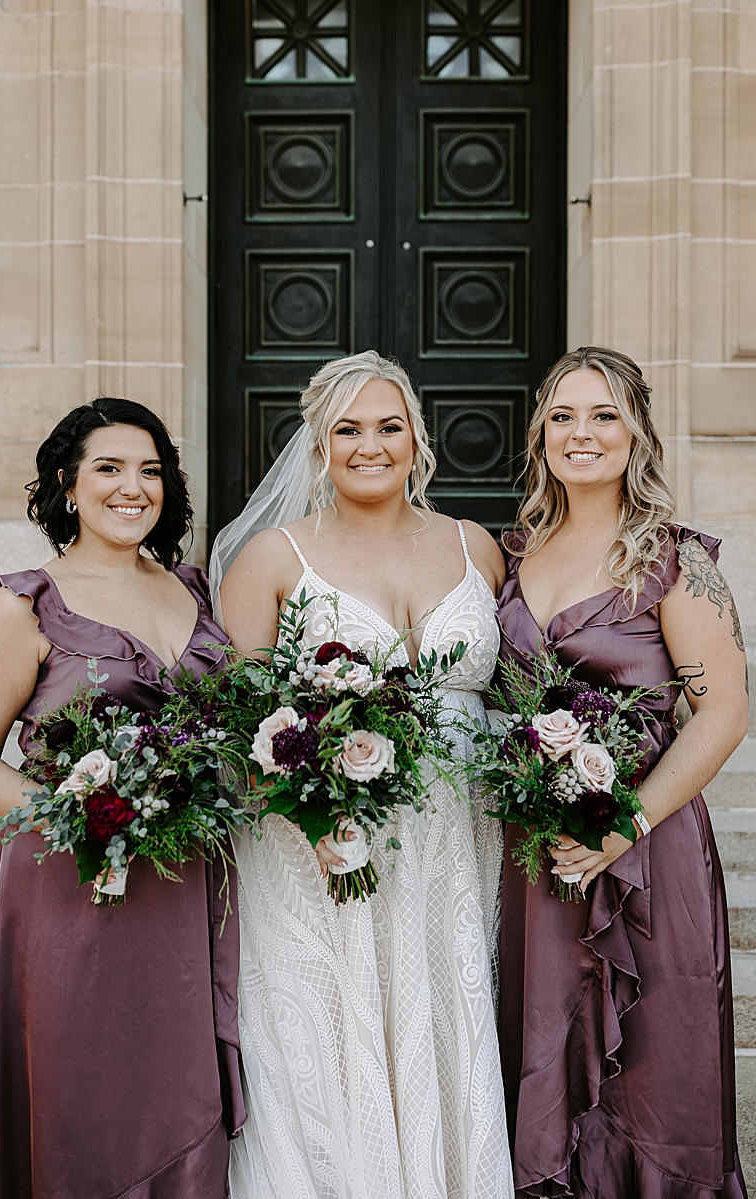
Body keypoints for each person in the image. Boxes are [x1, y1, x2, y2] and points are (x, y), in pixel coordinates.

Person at [212, 351, 511, 1198]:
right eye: (348, 429)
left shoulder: (477, 547)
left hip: (456, 840)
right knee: (335, 1026)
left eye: (389, 425)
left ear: (418, 436)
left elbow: (516, 690)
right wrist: (314, 813)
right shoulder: (272, 558)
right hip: (323, 843)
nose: (369, 445)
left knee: (444, 1015)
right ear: (319, 443)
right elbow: (241, 720)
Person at [0, 398, 239, 1197]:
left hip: (184, 884)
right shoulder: (24, 606)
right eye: (109, 468)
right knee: (85, 1094)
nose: (133, 487)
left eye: (150, 470)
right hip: (72, 885)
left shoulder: (195, 588)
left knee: (175, 1089)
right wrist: (80, 810)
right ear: (66, 486)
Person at [496, 347, 747, 1197]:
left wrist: (622, 826)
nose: (583, 433)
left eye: (604, 414)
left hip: (647, 853)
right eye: (564, 415)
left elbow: (723, 714)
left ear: (636, 430)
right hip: (540, 861)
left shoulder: (678, 560)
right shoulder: (512, 554)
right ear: (541, 434)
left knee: (653, 1075)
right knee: (544, 1062)